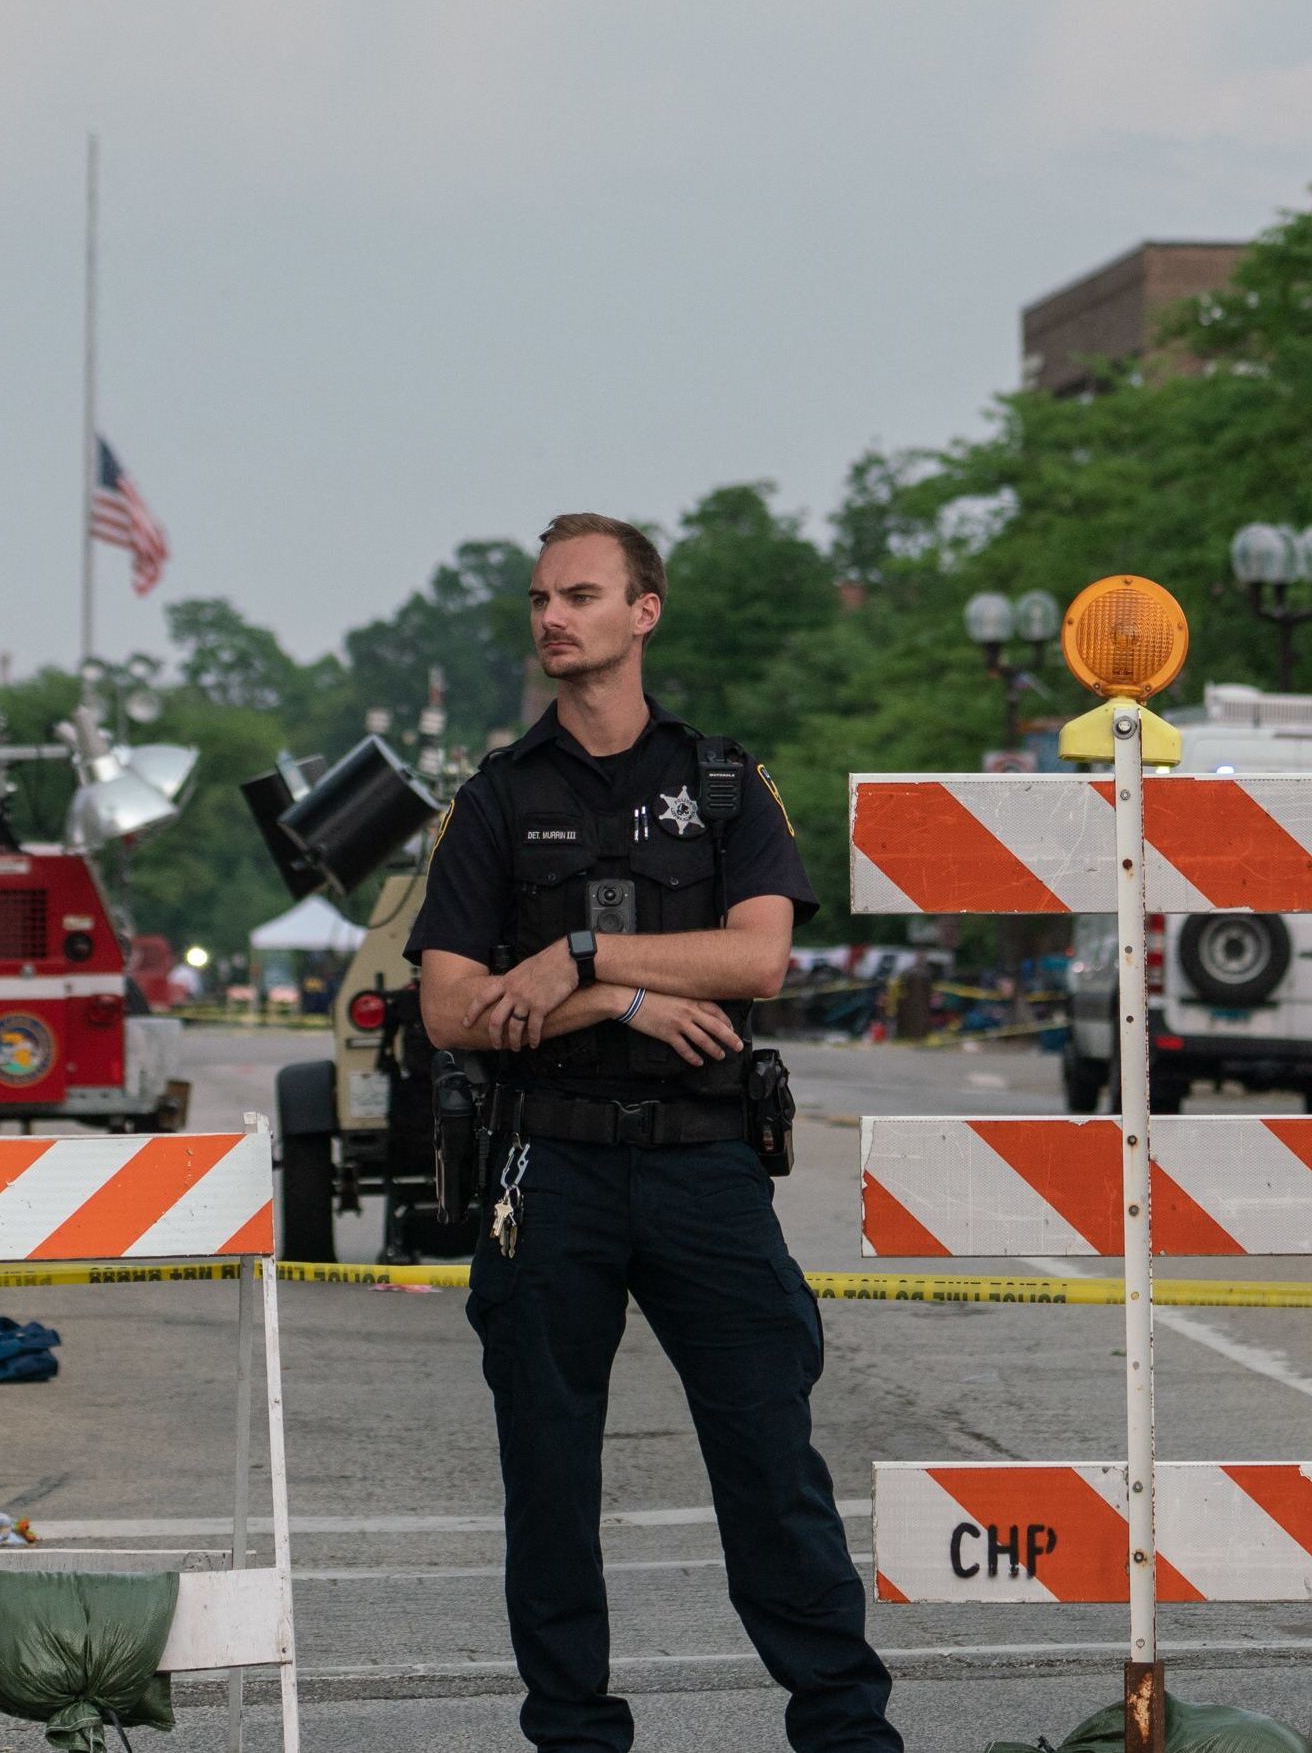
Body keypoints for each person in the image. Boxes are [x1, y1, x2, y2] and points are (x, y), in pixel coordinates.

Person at [414, 511, 900, 1753]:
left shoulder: (723, 781)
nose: (550, 617)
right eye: (537, 598)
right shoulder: (495, 798)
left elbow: (757, 957)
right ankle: (574, 1738)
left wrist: (576, 952)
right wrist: (619, 996)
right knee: (550, 1482)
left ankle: (846, 1735)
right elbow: (452, 1004)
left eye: (578, 594)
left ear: (644, 611)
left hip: (704, 1164)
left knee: (772, 1466)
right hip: (550, 1164)